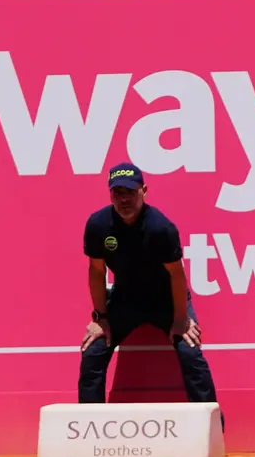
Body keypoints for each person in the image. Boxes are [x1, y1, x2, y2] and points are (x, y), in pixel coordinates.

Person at [78, 162, 218, 410]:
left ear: (144, 190)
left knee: (190, 352)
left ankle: (211, 428)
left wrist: (180, 318)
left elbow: (177, 275)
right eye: (117, 193)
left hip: (166, 300)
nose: (124, 199)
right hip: (124, 299)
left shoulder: (161, 228)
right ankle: (91, 429)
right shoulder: (98, 225)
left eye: (130, 192)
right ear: (110, 194)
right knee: (93, 352)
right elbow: (97, 271)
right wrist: (100, 317)